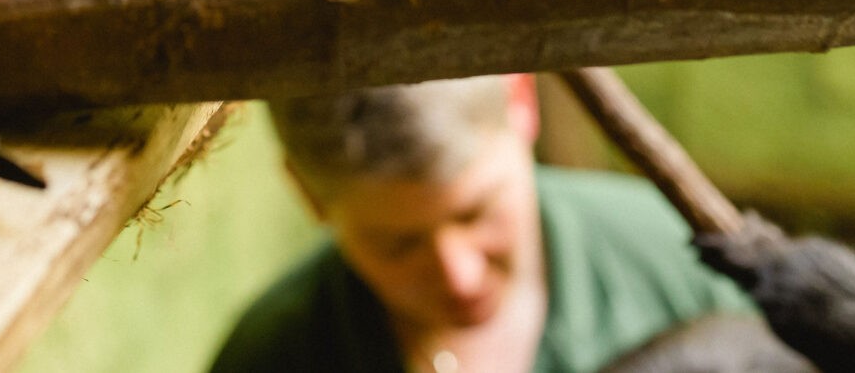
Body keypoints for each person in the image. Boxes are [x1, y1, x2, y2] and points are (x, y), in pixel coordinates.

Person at [208, 75, 775, 373]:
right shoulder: (273, 353)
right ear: (307, 193)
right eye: (398, 245)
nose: (460, 276)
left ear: (522, 100)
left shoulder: (682, 264)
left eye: (477, 212)